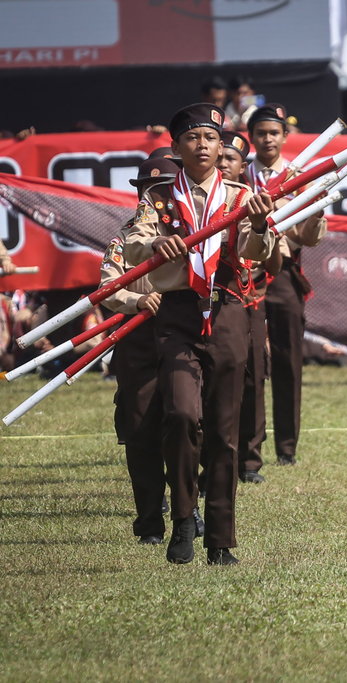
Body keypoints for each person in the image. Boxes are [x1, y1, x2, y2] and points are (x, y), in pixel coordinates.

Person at [124, 102, 276, 565]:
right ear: (176, 148)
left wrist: (256, 222)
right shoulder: (159, 199)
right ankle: (184, 516)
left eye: (210, 137)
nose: (203, 145)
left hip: (228, 311)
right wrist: (154, 243)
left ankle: (221, 539)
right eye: (192, 138)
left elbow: (257, 253)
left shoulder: (237, 196)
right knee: (181, 415)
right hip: (177, 315)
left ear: (220, 145)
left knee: (225, 431)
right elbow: (131, 245)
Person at [100, 153, 178, 545]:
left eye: (164, 186)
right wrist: (136, 301)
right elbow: (108, 287)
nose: (155, 196)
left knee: (187, 423)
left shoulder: (195, 233)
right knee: (141, 429)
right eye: (149, 188)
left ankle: (188, 509)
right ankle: (149, 520)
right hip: (137, 341)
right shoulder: (123, 237)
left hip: (183, 337)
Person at [247, 103, 327, 466]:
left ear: (284, 136)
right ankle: (250, 449)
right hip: (244, 275)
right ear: (251, 137)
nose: (267, 139)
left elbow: (310, 237)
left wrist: (315, 213)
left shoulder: (301, 178)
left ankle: (287, 448)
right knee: (249, 361)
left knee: (288, 360)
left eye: (274, 132)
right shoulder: (238, 175)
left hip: (285, 274)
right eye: (261, 132)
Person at [217, 129, 282, 483]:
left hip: (249, 299)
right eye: (220, 156)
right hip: (211, 299)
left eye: (231, 158)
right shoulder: (200, 199)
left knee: (254, 376)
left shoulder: (251, 202)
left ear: (243, 166)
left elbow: (273, 264)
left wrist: (263, 235)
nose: (223, 163)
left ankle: (251, 459)